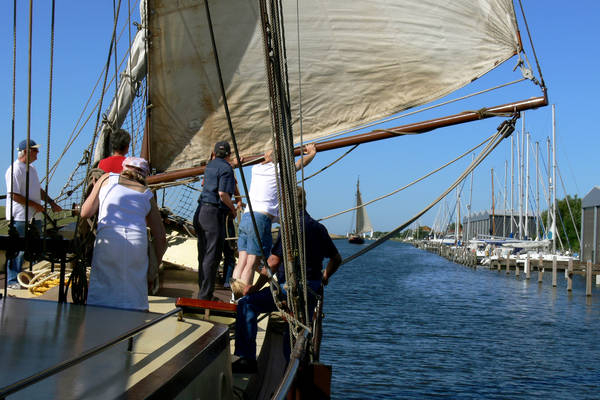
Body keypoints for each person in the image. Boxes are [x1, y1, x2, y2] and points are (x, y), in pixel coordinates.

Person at [232, 186, 342, 373]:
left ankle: (247, 359)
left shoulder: (289, 229)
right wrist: (324, 277)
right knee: (295, 327)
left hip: (288, 288)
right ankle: (292, 370)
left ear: (287, 205)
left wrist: (256, 287)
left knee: (247, 304)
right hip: (311, 289)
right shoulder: (319, 228)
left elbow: (273, 263)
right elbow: (336, 259)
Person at [230, 143, 317, 298]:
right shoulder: (280, 170)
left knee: (242, 260)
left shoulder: (255, 169)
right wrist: (311, 153)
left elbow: (267, 157)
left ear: (266, 157)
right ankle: (242, 298)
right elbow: (300, 164)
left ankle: (233, 296)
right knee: (251, 263)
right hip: (261, 219)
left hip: (247, 216)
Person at [80, 157, 167, 310]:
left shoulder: (107, 178)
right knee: (134, 293)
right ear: (145, 175)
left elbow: (85, 212)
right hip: (137, 241)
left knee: (102, 291)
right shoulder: (147, 193)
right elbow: (160, 238)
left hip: (110, 236)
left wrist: (96, 189)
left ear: (123, 168)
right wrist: (152, 269)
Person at [4, 139, 63, 289]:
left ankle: (34, 277)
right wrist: (36, 205)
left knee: (36, 248)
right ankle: (12, 281)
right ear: (26, 152)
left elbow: (38, 191)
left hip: (34, 217)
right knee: (18, 250)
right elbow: (14, 195)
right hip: (20, 217)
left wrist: (51, 202)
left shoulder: (32, 169)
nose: (38, 153)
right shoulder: (15, 169)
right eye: (35, 150)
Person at [194, 141, 237, 300]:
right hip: (212, 214)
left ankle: (203, 292)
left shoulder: (210, 166)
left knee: (203, 255)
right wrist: (232, 209)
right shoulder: (226, 169)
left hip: (200, 212)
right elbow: (222, 194)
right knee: (212, 256)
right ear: (228, 154)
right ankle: (205, 297)